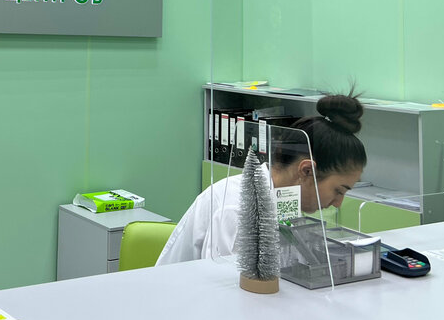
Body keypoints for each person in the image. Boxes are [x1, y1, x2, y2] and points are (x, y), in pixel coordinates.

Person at [156, 93, 366, 265]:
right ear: (306, 171)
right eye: (339, 191)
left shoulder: (284, 203)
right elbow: (228, 290)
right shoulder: (239, 208)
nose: (338, 203)